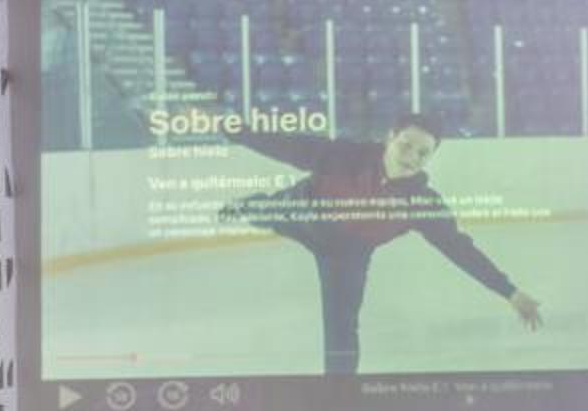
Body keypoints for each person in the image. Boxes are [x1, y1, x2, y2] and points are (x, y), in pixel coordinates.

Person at [222, 114, 543, 375]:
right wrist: (232, 129)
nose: (411, 158)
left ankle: (339, 395)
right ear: (390, 138)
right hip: (300, 210)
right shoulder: (344, 156)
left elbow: (459, 248)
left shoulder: (420, 203)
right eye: (406, 146)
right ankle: (245, 206)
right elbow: (284, 145)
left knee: (342, 328)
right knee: (259, 211)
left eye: (423, 153)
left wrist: (510, 292)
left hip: (345, 256)